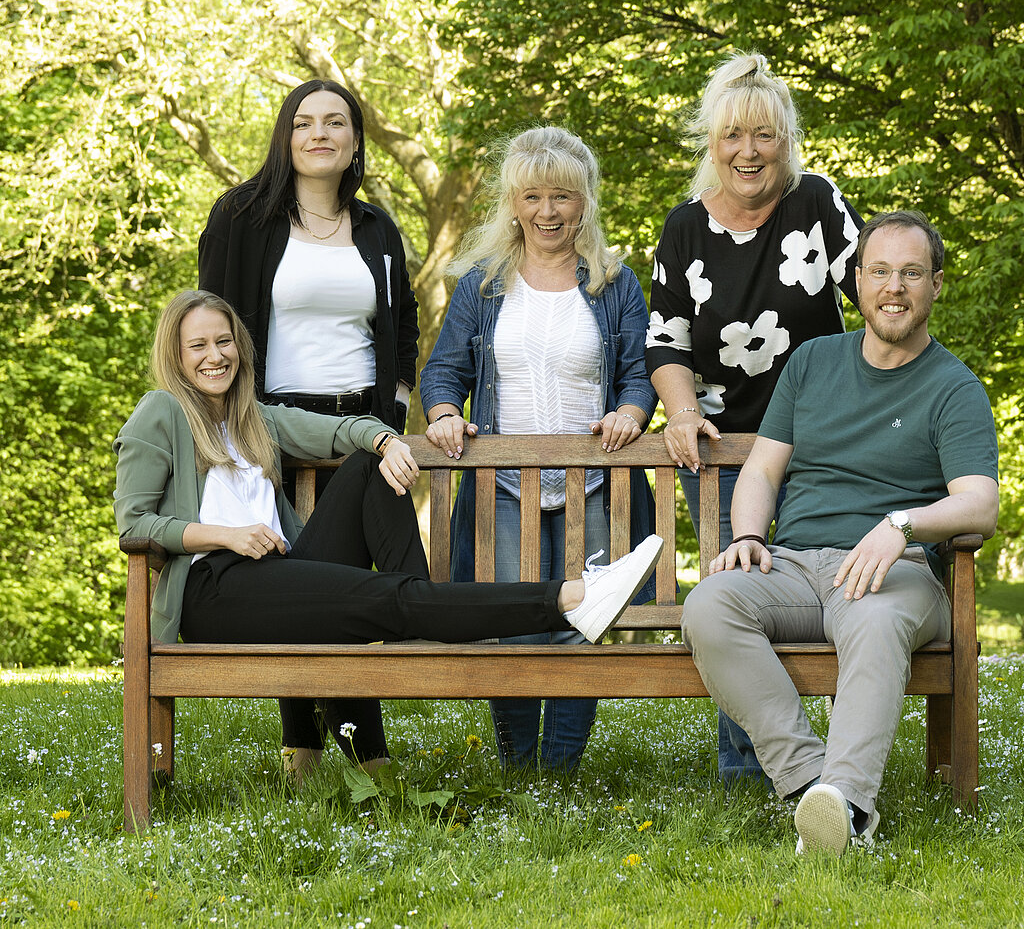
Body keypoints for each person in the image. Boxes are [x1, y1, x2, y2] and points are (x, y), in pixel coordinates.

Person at [113, 290, 664, 774]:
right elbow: (134, 524)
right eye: (198, 346)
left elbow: (344, 430)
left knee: (366, 467)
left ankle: (415, 612)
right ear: (175, 356)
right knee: (386, 598)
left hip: (274, 575)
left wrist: (385, 442)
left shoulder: (253, 418)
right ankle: (571, 598)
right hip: (214, 589)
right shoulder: (161, 412)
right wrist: (224, 536)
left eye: (224, 341)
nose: (215, 356)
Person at [681, 211, 999, 856]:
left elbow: (980, 504)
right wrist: (748, 536)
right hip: (795, 566)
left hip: (894, 573)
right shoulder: (813, 362)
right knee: (710, 604)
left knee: (874, 620)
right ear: (856, 281)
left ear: (937, 284)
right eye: (879, 271)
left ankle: (848, 808)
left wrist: (901, 524)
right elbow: (762, 470)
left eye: (911, 273)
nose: (893, 287)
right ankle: (809, 788)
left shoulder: (954, 387)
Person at [646, 52, 864, 782]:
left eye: (765, 135)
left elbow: (876, 294)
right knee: (732, 594)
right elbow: (666, 339)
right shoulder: (683, 227)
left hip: (818, 446)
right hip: (721, 447)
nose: (748, 151)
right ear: (711, 142)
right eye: (733, 135)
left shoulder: (817, 203)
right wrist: (680, 412)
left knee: (815, 594)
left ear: (786, 140)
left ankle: (831, 758)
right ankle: (747, 769)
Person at [197, 79, 418, 780]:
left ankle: (348, 751)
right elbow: (209, 326)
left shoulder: (378, 229)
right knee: (293, 582)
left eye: (335, 122)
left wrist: (394, 414)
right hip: (272, 426)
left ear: (355, 140)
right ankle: (321, 751)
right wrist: (227, 427)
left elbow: (402, 328)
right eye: (304, 122)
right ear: (285, 136)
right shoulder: (241, 217)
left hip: (363, 428)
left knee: (342, 581)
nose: (319, 133)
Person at [419, 126, 657, 773]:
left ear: (585, 202)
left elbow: (640, 373)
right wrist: (445, 414)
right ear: (512, 203)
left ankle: (560, 773)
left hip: (594, 484)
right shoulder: (482, 285)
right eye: (532, 197)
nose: (547, 211)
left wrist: (631, 413)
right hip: (502, 487)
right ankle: (519, 769)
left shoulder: (615, 283)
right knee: (513, 624)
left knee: (585, 622)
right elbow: (443, 373)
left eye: (562, 196)